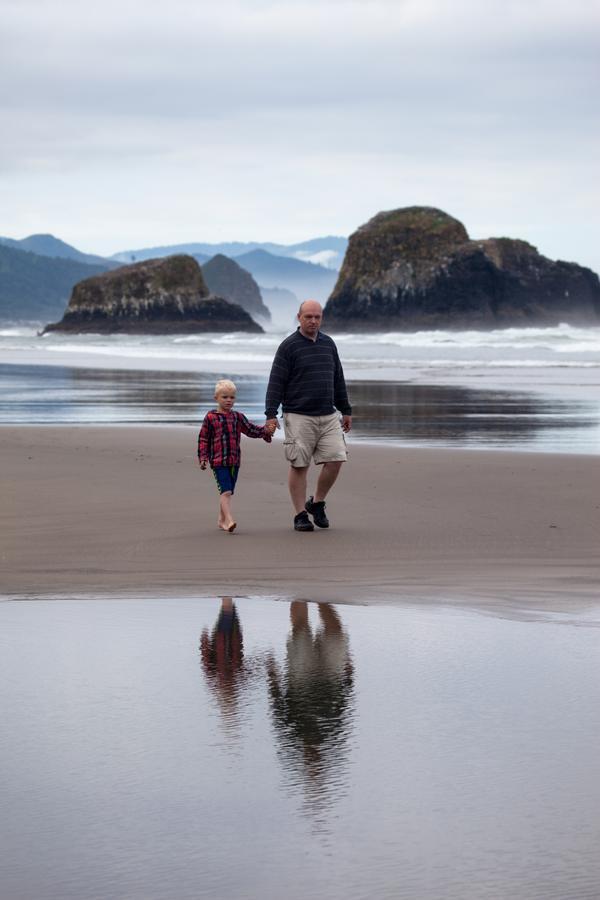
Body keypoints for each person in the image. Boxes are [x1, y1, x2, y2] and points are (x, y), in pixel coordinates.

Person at [265, 299, 352, 531]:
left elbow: (338, 378)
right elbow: (276, 382)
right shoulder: (288, 346)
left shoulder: (328, 344)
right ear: (299, 317)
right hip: (298, 415)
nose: (313, 321)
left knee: (336, 460)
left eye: (317, 317)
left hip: (328, 414)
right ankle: (300, 515)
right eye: (308, 317)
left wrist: (346, 409)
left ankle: (317, 502)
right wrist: (271, 414)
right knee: (299, 465)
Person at [198, 378, 274, 532]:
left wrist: (265, 431)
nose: (228, 400)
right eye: (224, 397)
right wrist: (203, 457)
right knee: (225, 492)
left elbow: (251, 430)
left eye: (232, 397)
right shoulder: (211, 418)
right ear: (216, 398)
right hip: (218, 461)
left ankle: (221, 519)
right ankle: (229, 520)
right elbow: (204, 438)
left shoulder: (237, 417)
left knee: (228, 492)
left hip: (234, 460)